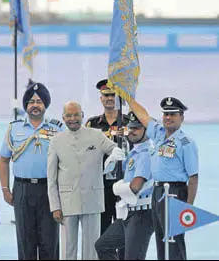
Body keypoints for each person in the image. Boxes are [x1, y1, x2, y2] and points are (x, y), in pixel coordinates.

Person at [47, 101, 125, 260]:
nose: (73, 118)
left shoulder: (96, 135)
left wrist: (116, 153)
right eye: (68, 115)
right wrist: (55, 206)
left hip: (92, 199)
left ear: (82, 115)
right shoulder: (56, 140)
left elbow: (113, 148)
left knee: (92, 249)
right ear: (63, 117)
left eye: (76, 114)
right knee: (68, 248)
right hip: (68, 200)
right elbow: (52, 177)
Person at [125, 96, 199, 260]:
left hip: (175, 192)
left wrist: (188, 208)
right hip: (157, 192)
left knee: (174, 241)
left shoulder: (185, 143)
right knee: (161, 239)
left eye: (173, 114)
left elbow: (193, 178)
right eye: (166, 114)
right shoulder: (158, 134)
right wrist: (129, 99)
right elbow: (143, 116)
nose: (168, 118)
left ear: (182, 117)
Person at [0, 82, 64, 260]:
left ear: (46, 105)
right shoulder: (14, 128)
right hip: (22, 190)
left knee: (49, 242)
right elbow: (3, 160)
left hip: (49, 190)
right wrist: (5, 189)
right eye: (31, 101)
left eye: (40, 101)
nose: (35, 105)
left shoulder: (57, 129)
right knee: (25, 242)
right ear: (26, 105)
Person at [95, 111, 154, 260]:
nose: (132, 131)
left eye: (137, 128)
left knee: (132, 257)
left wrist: (118, 189)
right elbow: (113, 174)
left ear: (146, 129)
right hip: (129, 213)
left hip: (142, 213)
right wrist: (111, 161)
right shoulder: (134, 152)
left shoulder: (146, 153)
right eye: (130, 127)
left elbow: (135, 186)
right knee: (103, 245)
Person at [85, 79, 130, 238]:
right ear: (101, 98)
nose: (110, 98)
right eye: (106, 95)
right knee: (102, 227)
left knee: (125, 226)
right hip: (101, 182)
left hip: (124, 181)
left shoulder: (129, 122)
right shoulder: (92, 124)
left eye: (113, 95)